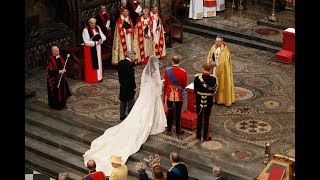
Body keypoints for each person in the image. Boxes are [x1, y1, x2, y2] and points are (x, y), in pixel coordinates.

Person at [83, 55, 167, 176]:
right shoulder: (153, 74)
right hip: (150, 96)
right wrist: (161, 83)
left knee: (135, 108)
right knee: (146, 114)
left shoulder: (145, 72)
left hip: (144, 96)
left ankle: (128, 117)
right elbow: (156, 84)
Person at [207, 36, 235, 106]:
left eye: (218, 42)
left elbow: (224, 62)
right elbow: (210, 55)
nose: (216, 43)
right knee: (213, 83)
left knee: (221, 83)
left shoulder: (225, 50)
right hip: (213, 69)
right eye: (215, 41)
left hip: (222, 71)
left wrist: (217, 64)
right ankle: (213, 98)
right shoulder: (213, 47)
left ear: (222, 42)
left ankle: (221, 99)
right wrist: (211, 62)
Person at [163, 55, 187, 136]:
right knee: (178, 112)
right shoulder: (183, 72)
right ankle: (178, 130)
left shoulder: (167, 71)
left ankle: (169, 128)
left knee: (170, 112)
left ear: (172, 62)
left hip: (170, 94)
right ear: (179, 62)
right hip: (179, 95)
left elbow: (165, 83)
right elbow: (184, 85)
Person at [194, 62, 218, 141]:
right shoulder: (214, 79)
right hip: (208, 101)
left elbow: (195, 91)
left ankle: (198, 136)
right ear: (210, 70)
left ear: (202, 68)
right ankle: (205, 137)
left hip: (199, 100)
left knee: (199, 118)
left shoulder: (197, 78)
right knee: (207, 119)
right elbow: (214, 92)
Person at [46, 46, 71, 110]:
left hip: (61, 77)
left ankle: (63, 104)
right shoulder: (50, 59)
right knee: (56, 93)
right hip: (55, 79)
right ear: (53, 51)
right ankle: (56, 105)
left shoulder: (60, 57)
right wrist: (59, 71)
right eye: (57, 51)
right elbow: (50, 71)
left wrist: (64, 70)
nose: (58, 52)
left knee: (62, 91)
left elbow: (63, 65)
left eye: (58, 50)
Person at [82, 17, 106, 83]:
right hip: (90, 50)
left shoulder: (98, 27)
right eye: (92, 23)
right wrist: (95, 42)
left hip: (98, 48)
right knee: (92, 63)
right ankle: (93, 78)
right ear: (89, 23)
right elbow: (86, 42)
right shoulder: (85, 30)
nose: (93, 25)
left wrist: (101, 40)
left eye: (94, 23)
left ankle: (99, 77)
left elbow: (103, 36)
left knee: (99, 62)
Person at [118, 51, 137, 120]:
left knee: (123, 101)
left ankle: (122, 116)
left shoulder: (121, 62)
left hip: (122, 85)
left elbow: (119, 74)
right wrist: (134, 87)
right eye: (134, 57)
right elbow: (131, 78)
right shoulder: (129, 65)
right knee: (131, 102)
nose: (134, 59)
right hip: (129, 87)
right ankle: (130, 117)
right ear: (130, 56)